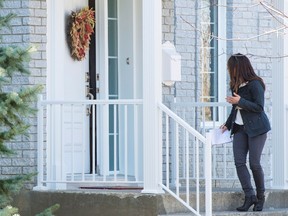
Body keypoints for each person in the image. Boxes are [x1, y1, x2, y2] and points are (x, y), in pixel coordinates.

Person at [220, 53, 271, 212]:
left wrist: (239, 101)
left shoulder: (255, 84)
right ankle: (250, 196)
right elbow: (235, 109)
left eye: (232, 68)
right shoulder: (235, 85)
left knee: (254, 164)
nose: (230, 71)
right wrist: (227, 125)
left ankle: (260, 198)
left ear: (239, 67)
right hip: (240, 128)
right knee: (239, 162)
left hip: (257, 129)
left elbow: (259, 107)